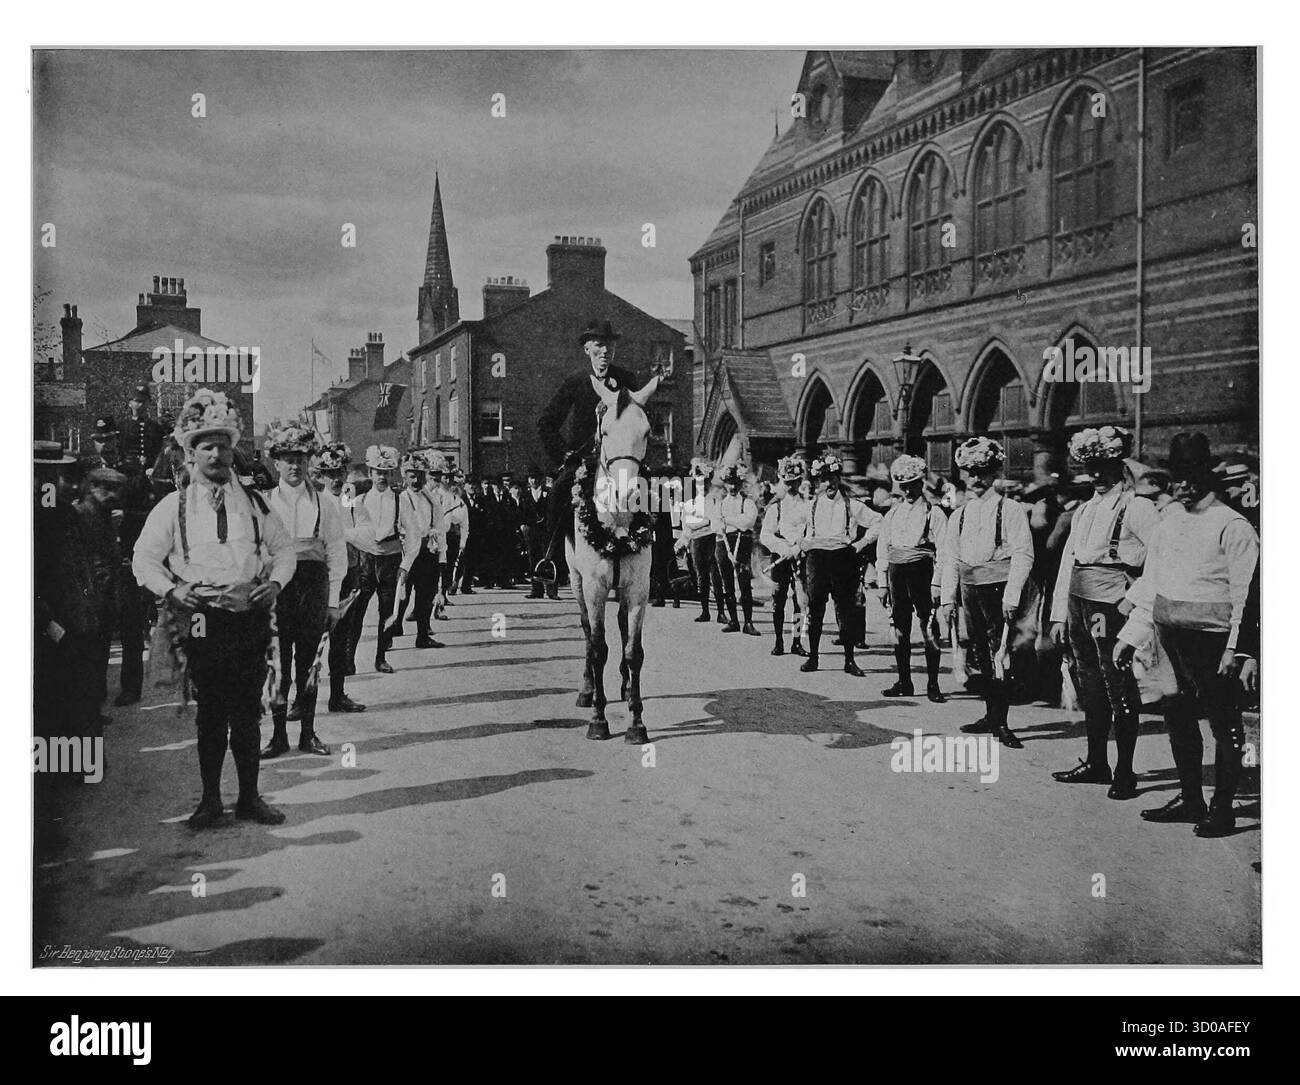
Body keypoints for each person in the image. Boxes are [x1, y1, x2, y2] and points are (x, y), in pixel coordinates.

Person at [132, 390, 296, 827]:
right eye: (207, 447)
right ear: (191, 453)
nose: (217, 455)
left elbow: (285, 551)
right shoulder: (174, 506)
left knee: (247, 711)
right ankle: (209, 801)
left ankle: (249, 798)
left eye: (224, 446)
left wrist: (275, 583)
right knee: (210, 712)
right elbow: (143, 559)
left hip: (249, 617)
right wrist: (171, 590)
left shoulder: (255, 504)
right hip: (203, 619)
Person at [1115, 433, 1259, 838]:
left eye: (1192, 475)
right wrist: (1131, 634)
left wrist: (1240, 650)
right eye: (1178, 476)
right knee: (1177, 716)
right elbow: (1153, 581)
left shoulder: (1232, 525)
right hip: (1169, 636)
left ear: (1208, 476)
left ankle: (1223, 809)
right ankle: (1191, 799)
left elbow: (1248, 594)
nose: (1184, 485)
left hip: (1213, 641)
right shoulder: (1170, 522)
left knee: (1223, 723)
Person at [1048, 427, 1158, 798]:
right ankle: (1097, 762)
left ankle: (1125, 771)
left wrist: (1134, 600)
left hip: (1110, 604)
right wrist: (1059, 614)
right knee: (1089, 683)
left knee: (1117, 683)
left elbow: (1160, 560)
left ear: (1119, 465)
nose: (1096, 474)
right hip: (1079, 601)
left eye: (1104, 466)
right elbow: (1069, 561)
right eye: (1090, 467)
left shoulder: (1138, 507)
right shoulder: (1084, 510)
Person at [535, 319, 655, 582]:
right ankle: (548, 559)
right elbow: (546, 423)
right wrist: (564, 454)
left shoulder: (626, 379)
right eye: (599, 346)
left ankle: (664, 566)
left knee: (656, 494)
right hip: (585, 459)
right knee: (557, 493)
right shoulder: (576, 381)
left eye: (610, 346)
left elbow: (644, 415)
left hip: (621, 458)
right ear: (587, 349)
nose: (605, 352)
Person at [939, 436, 1034, 749]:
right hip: (970, 588)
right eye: (971, 473)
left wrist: (1012, 595)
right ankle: (990, 715)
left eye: (983, 472)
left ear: (995, 473)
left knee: (1000, 653)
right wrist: (947, 598)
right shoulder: (959, 514)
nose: (977, 479)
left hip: (998, 587)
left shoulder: (1010, 509)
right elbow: (950, 557)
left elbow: (1023, 553)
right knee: (980, 652)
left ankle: (1002, 721)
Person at [261, 424, 347, 759]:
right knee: (279, 666)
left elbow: (336, 553)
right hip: (278, 590)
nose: (294, 465)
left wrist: (333, 602)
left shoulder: (324, 504)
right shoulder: (263, 503)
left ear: (308, 460)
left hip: (313, 588)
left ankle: (308, 733)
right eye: (288, 459)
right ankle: (278, 735)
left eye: (300, 458)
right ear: (276, 463)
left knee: (309, 664)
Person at [36, 441, 103, 743]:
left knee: (78, 696)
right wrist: (47, 621)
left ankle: (80, 759)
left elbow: (79, 565)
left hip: (75, 620)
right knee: (52, 701)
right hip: (48, 624)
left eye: (56, 475)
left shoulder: (64, 513)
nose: (57, 482)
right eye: (47, 475)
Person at [797, 452, 879, 676]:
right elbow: (790, 526)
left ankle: (850, 660)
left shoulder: (852, 505)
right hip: (817, 559)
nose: (829, 483)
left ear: (838, 478)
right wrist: (800, 542)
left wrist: (861, 543)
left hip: (843, 557)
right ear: (818, 482)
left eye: (832, 478)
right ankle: (813, 657)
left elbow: (878, 521)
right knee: (815, 608)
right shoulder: (810, 506)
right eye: (824, 479)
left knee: (846, 610)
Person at [876, 453, 948, 702]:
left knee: (928, 626)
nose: (907, 491)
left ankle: (933, 684)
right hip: (897, 572)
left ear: (921, 484)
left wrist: (937, 583)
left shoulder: (934, 513)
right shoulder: (892, 514)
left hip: (922, 572)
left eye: (912, 485)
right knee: (900, 626)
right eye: (903, 486)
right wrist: (882, 583)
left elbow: (944, 551)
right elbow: (883, 549)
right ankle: (904, 681)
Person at [316, 442, 366, 715]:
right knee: (311, 639)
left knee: (341, 637)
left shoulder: (348, 499)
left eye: (339, 473)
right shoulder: (315, 500)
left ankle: (337, 695)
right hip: (321, 575)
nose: (335, 479)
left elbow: (364, 530)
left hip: (348, 572)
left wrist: (345, 536)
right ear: (321, 476)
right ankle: (303, 698)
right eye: (330, 473)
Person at [76, 467, 129, 721]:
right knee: (88, 657)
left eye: (115, 490)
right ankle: (88, 712)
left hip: (104, 594)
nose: (112, 495)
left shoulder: (105, 514)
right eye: (106, 489)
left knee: (99, 654)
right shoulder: (81, 515)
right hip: (90, 596)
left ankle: (93, 710)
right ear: (92, 488)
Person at [348, 445, 404, 674]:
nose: (382, 477)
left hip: (390, 560)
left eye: (386, 473)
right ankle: (348, 659)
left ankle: (381, 658)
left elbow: (412, 533)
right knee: (356, 611)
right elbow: (342, 521)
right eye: (377, 472)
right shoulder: (357, 500)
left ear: (392, 474)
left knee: (387, 612)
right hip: (366, 559)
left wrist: (406, 564)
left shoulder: (400, 500)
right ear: (370, 473)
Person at [394, 451, 446, 649]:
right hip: (407, 552)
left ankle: (422, 635)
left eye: (419, 476)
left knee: (425, 594)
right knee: (402, 594)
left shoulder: (431, 500)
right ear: (405, 477)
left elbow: (439, 527)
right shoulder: (400, 499)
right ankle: (393, 629)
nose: (416, 480)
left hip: (427, 551)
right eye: (412, 476)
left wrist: (442, 555)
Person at [760, 455, 810, 657]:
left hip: (801, 557)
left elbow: (812, 532)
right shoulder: (776, 508)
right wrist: (782, 548)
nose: (791, 486)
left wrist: (799, 547)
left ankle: (797, 641)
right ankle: (779, 641)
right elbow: (765, 535)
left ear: (800, 481)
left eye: (794, 481)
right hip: (780, 559)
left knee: (800, 602)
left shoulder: (809, 506)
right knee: (778, 600)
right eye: (787, 482)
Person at [712, 464, 761, 635]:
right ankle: (734, 620)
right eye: (729, 483)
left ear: (741, 484)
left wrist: (727, 520)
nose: (732, 487)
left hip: (742, 542)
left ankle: (748, 623)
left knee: (744, 583)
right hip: (723, 543)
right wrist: (732, 521)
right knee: (727, 583)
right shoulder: (720, 504)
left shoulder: (748, 502)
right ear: (725, 484)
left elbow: (747, 523)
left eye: (735, 483)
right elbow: (715, 525)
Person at [677, 458, 721, 623]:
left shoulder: (714, 502)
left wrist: (701, 523)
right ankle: (705, 611)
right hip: (696, 542)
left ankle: (721, 612)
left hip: (712, 540)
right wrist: (683, 541)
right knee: (701, 576)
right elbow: (687, 525)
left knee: (715, 575)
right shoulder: (690, 504)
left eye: (705, 483)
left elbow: (715, 521)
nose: (702, 486)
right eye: (699, 483)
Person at [121, 384, 165, 472]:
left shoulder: (155, 427)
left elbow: (160, 451)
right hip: (127, 470)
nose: (141, 404)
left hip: (150, 470)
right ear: (130, 403)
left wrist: (154, 467)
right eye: (137, 401)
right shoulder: (123, 426)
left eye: (144, 401)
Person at [521, 469, 551, 599]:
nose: (533, 480)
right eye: (531, 478)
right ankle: (536, 590)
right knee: (533, 559)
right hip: (531, 530)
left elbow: (551, 510)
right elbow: (521, 511)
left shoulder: (547, 492)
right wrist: (524, 525)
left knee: (547, 558)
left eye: (535, 477)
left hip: (544, 530)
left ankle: (551, 590)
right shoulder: (525, 494)